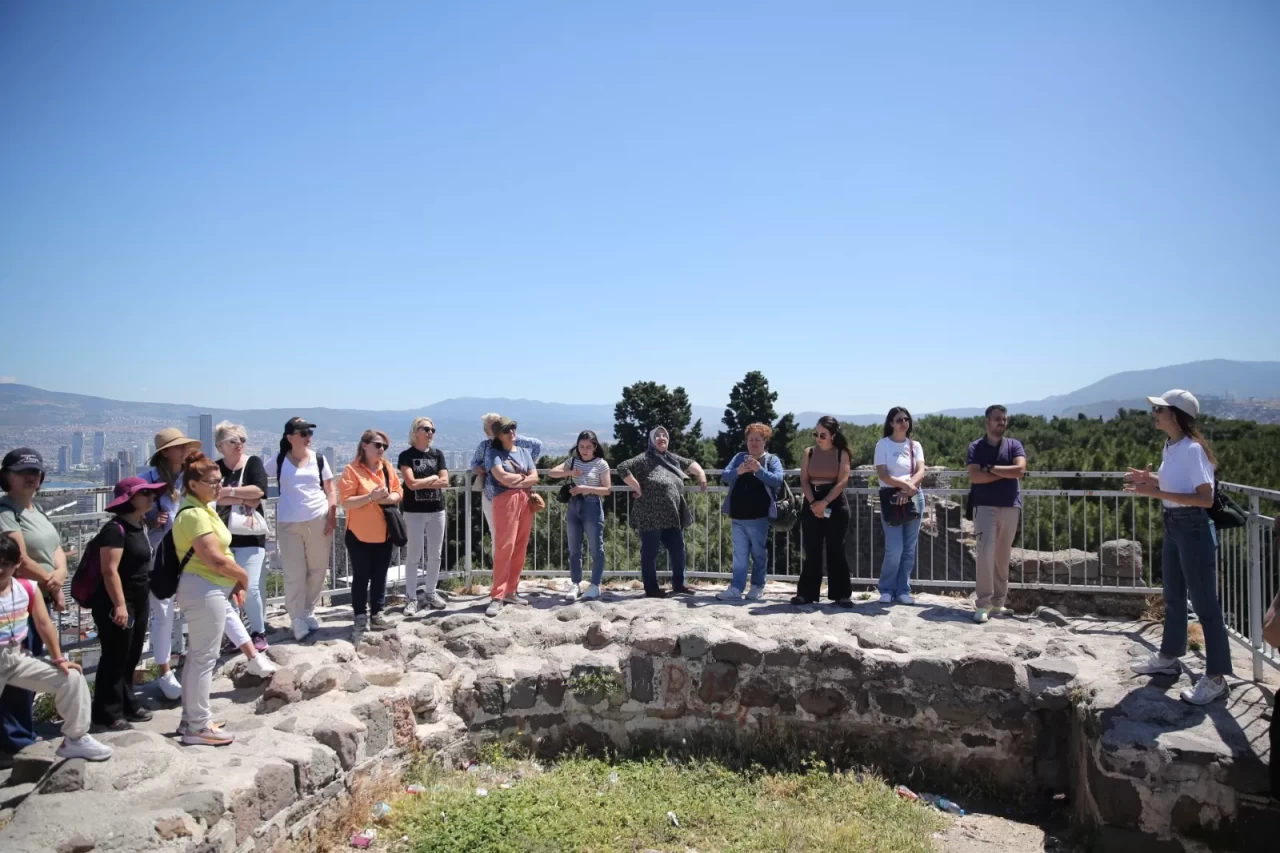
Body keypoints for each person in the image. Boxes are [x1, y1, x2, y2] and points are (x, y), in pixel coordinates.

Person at [1125, 389, 1233, 706]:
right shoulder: (1171, 447)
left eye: (1159, 409)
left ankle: (1216, 678)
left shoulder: (1192, 450)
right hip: (1174, 525)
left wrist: (1155, 493)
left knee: (1205, 606)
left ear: (1175, 414)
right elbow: (1178, 485)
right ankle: (1169, 657)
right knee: (1173, 596)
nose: (1154, 413)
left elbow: (1204, 497)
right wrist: (1152, 479)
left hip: (1193, 527)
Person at [0, 532, 112, 761]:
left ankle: (76, 739)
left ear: (16, 565)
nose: (0, 570)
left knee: (71, 678)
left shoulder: (27, 589)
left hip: (14, 658)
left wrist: (58, 658)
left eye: (6, 564)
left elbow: (44, 624)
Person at [173, 452, 255, 746]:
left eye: (220, 481)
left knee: (199, 656)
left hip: (209, 587)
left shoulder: (203, 509)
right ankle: (198, 725)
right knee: (204, 658)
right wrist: (242, 577)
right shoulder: (194, 514)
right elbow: (214, 559)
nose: (219, 486)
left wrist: (233, 582)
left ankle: (191, 718)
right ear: (193, 484)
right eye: (212, 482)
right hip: (203, 586)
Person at [0, 448, 71, 755]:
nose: (30, 477)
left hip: (37, 598)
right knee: (17, 673)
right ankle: (15, 743)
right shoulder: (6, 511)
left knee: (28, 670)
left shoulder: (35, 510)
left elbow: (56, 547)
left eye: (36, 473)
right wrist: (51, 583)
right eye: (22, 472)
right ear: (7, 477)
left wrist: (62, 572)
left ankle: (21, 734)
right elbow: (18, 559)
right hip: (17, 602)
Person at [90, 476, 168, 730]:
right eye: (145, 493)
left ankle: (126, 701)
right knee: (115, 655)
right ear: (130, 499)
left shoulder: (139, 525)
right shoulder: (115, 530)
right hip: (117, 601)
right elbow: (109, 570)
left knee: (131, 654)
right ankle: (107, 711)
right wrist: (120, 606)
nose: (151, 497)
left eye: (151, 493)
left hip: (138, 597)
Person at [140, 427, 201, 701]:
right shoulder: (147, 481)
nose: (184, 450)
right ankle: (165, 671)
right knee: (162, 613)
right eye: (179, 447)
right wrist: (151, 521)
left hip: (188, 552)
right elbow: (129, 516)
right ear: (166, 452)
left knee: (198, 605)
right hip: (159, 554)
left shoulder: (189, 478)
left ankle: (192, 664)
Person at [618, 427, 708, 599]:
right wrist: (636, 486)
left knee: (678, 549)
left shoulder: (672, 458)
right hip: (650, 514)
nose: (661, 438)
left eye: (664, 435)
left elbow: (690, 464)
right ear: (651, 440)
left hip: (671, 514)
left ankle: (679, 584)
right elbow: (623, 467)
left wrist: (701, 474)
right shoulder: (645, 458)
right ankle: (651, 589)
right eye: (657, 436)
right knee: (650, 552)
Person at [275, 418, 337, 642]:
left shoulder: (318, 459)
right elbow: (257, 479)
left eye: (309, 432)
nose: (308, 436)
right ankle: (296, 618)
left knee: (318, 569)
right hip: (288, 523)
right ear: (290, 437)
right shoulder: (279, 460)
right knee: (294, 572)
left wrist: (332, 514)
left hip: (318, 518)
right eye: (303, 433)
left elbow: (330, 489)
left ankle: (308, 610)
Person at [966, 405, 1027, 624]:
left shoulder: (1014, 445)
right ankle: (983, 604)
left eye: (1004, 419)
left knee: (1002, 556)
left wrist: (990, 468)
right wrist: (1004, 472)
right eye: (997, 419)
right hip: (984, 507)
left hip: (1010, 506)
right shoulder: (976, 447)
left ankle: (999, 603)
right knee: (985, 554)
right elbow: (975, 477)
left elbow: (1020, 470)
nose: (1001, 423)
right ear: (987, 421)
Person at [337, 430, 403, 635]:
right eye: (377, 444)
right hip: (359, 535)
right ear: (364, 445)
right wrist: (371, 497)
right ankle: (359, 615)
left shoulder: (386, 467)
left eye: (384, 446)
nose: (381, 449)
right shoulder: (352, 470)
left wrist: (388, 498)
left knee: (380, 576)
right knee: (361, 576)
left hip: (384, 533)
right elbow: (346, 501)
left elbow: (398, 492)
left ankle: (377, 614)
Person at [215, 422, 270, 651]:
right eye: (233, 440)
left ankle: (258, 631)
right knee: (228, 588)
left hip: (250, 537)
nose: (239, 444)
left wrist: (228, 492)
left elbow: (258, 493)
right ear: (220, 446)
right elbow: (210, 496)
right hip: (222, 537)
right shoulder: (214, 468)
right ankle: (238, 636)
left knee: (252, 586)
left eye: (242, 440)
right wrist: (242, 497)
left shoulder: (253, 463)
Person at [717, 423, 784, 602]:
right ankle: (736, 587)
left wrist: (758, 470)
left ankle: (757, 586)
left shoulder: (771, 460)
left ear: (765, 441)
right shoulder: (739, 457)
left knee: (758, 553)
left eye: (758, 439)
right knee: (739, 554)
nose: (753, 443)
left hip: (759, 516)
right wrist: (739, 471)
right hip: (738, 515)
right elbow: (725, 475)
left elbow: (777, 480)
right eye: (750, 439)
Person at [483, 418, 540, 616]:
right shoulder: (494, 453)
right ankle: (497, 594)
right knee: (504, 546)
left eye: (513, 428)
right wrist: (524, 480)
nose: (512, 432)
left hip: (525, 501)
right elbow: (501, 477)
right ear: (498, 435)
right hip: (505, 501)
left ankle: (511, 590)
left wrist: (517, 481)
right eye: (507, 430)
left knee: (521, 545)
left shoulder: (524, 452)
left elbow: (535, 476)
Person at [794, 418, 853, 607]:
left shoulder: (841, 453)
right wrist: (814, 503)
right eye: (816, 434)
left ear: (833, 436)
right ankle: (806, 594)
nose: (818, 438)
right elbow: (804, 480)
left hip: (835, 503)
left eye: (823, 435)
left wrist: (825, 502)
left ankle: (841, 594)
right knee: (812, 550)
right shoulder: (808, 453)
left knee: (836, 548)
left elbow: (843, 481)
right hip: (812, 500)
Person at [548, 431, 612, 600]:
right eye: (581, 446)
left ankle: (595, 584)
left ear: (595, 447)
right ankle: (575, 583)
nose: (584, 450)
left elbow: (607, 489)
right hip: (573, 505)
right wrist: (569, 473)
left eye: (588, 447)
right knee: (574, 548)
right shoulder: (573, 461)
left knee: (596, 548)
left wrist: (587, 489)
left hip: (592, 505)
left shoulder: (601, 464)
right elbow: (551, 473)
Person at [471, 414, 542, 560]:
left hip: (518, 496)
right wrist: (478, 468)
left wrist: (528, 465)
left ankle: (510, 574)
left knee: (518, 537)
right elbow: (474, 463)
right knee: (498, 535)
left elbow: (537, 445)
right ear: (487, 431)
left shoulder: (516, 441)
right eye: (493, 425)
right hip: (493, 496)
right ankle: (500, 572)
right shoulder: (485, 447)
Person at [875, 407, 926, 605]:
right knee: (894, 548)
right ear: (890, 423)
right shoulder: (883, 445)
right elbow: (883, 475)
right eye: (898, 420)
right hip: (891, 499)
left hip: (914, 498)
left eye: (906, 419)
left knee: (909, 549)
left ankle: (903, 589)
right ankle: (887, 589)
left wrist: (909, 489)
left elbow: (921, 471)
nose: (903, 422)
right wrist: (905, 486)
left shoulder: (915, 446)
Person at [398, 417, 449, 615]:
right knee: (414, 555)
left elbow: (445, 482)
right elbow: (410, 484)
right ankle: (411, 597)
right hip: (413, 511)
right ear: (415, 431)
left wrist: (425, 482)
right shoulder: (406, 455)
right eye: (426, 429)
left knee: (435, 555)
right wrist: (433, 478)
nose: (430, 433)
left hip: (437, 510)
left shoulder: (438, 454)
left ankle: (430, 592)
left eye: (432, 430)